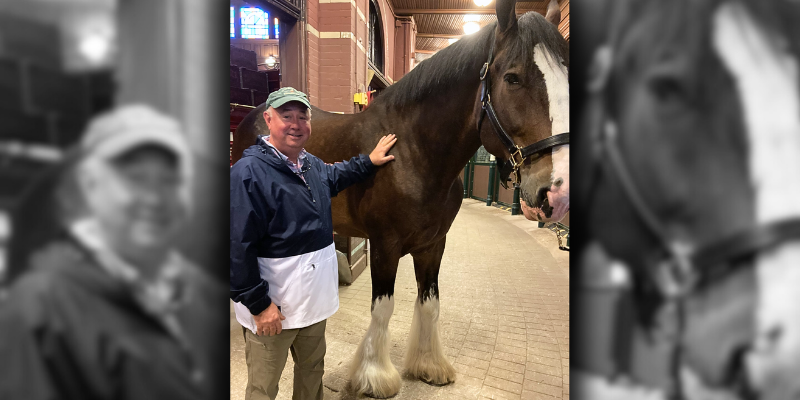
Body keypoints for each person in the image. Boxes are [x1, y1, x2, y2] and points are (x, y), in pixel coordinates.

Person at [0, 105, 225, 400]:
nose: (155, 198)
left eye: (169, 181)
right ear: (90, 184)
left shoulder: (199, 294)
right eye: (135, 178)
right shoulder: (37, 307)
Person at [230, 87, 397, 400]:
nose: (296, 123)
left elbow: (338, 175)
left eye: (302, 116)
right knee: (263, 387)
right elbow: (236, 249)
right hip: (272, 309)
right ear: (268, 119)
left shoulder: (312, 166)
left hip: (312, 306)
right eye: (286, 115)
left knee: (311, 375)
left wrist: (369, 161)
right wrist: (259, 305)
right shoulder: (247, 174)